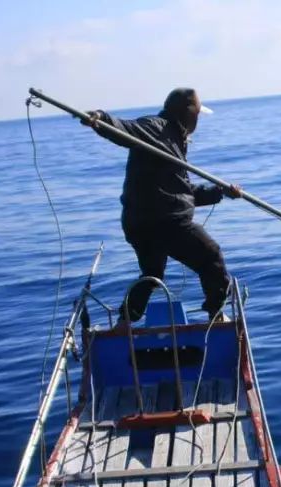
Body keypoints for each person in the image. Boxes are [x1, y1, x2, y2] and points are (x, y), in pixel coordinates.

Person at [82, 87, 241, 325]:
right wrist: (101, 119)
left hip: (140, 222)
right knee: (211, 258)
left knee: (152, 275)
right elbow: (125, 130)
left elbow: (183, 192)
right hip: (166, 222)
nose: (198, 120)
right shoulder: (157, 127)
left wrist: (220, 193)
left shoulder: (175, 140)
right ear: (188, 112)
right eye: (197, 114)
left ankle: (124, 323)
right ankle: (217, 316)